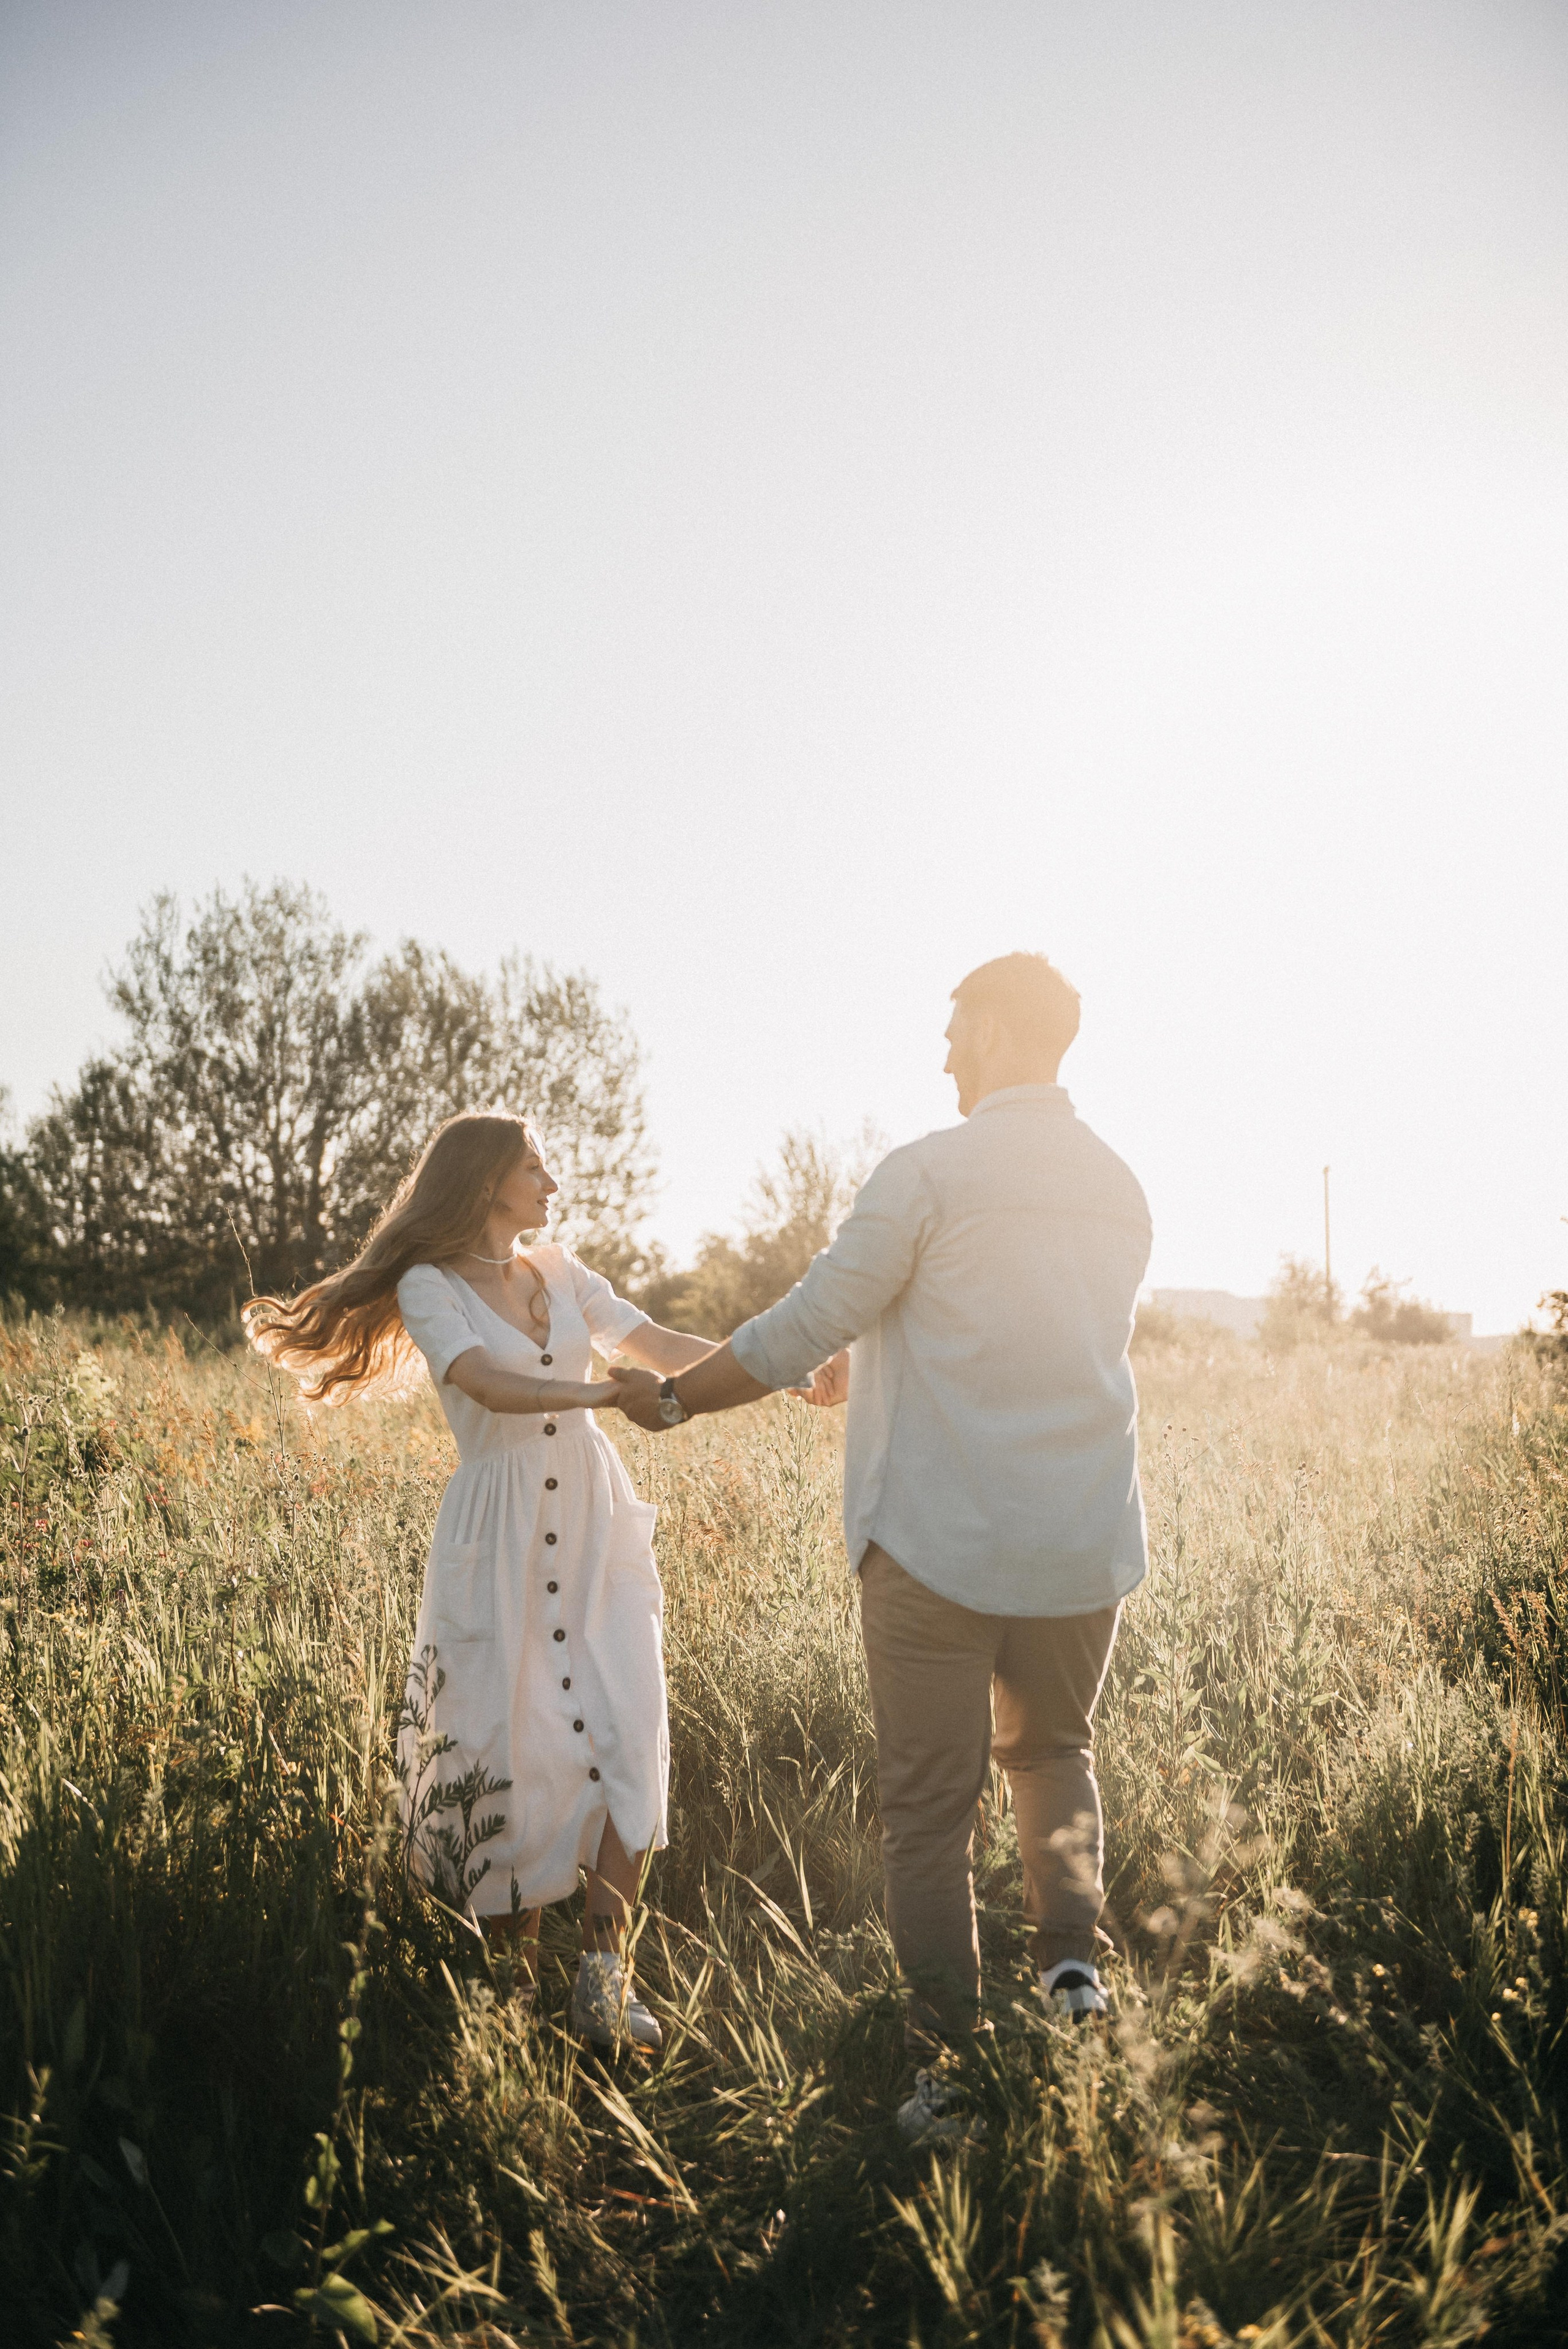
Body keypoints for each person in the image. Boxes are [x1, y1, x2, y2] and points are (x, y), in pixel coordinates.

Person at [611, 953, 1151, 2138]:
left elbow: (807, 1319)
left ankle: (947, 2074)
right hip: (1080, 1536)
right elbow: (1022, 1329)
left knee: (927, 1812)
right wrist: (886, 1355)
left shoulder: (927, 1174)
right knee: (1056, 1750)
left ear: (1004, 1033)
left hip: (939, 1541)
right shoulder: (1119, 1184)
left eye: (958, 1030)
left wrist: (676, 1400)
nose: (944, 1052)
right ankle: (1072, 1982)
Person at [246, 1110, 709, 2051]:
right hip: (497, 1535)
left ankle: (603, 1977)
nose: (551, 1182)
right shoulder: (429, 1284)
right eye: (535, 1165)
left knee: (630, 1721)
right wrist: (601, 1395)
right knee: (511, 1749)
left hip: (591, 1523)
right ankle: (509, 1999)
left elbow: (652, 1340)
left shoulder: (563, 1271)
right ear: (488, 1178)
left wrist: (776, 1367)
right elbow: (482, 1383)